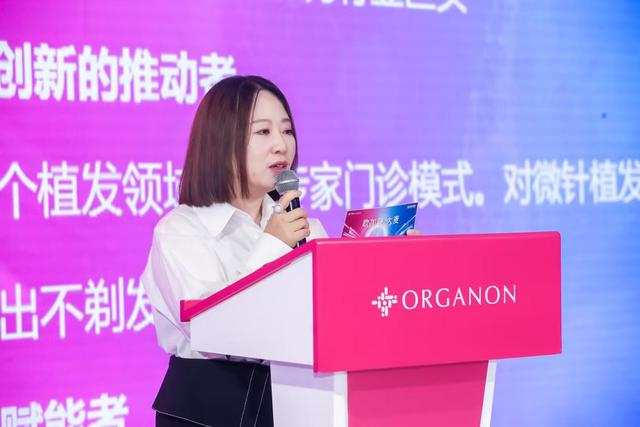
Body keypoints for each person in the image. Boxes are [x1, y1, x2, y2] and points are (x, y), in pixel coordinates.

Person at [140, 75, 328, 427]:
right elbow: (212, 330)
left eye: (287, 130)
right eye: (263, 132)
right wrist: (273, 244)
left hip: (297, 401)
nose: (281, 145)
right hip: (208, 408)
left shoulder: (305, 227)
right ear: (221, 141)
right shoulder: (180, 230)